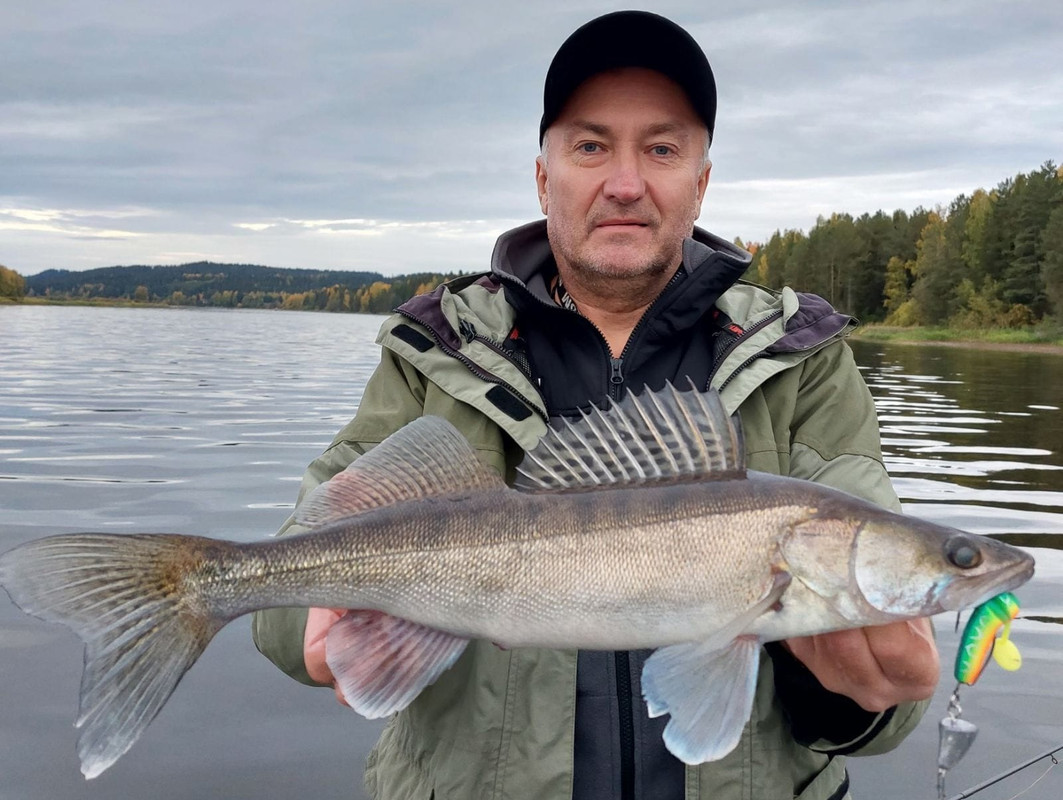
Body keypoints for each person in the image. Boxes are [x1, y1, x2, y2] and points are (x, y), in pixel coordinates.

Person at [253, 11, 939, 799]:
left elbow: (885, 711)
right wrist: (317, 629)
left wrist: (858, 695)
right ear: (543, 177)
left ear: (700, 182)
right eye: (589, 146)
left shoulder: (800, 360)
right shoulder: (433, 351)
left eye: (661, 149)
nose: (624, 183)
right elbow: (285, 596)